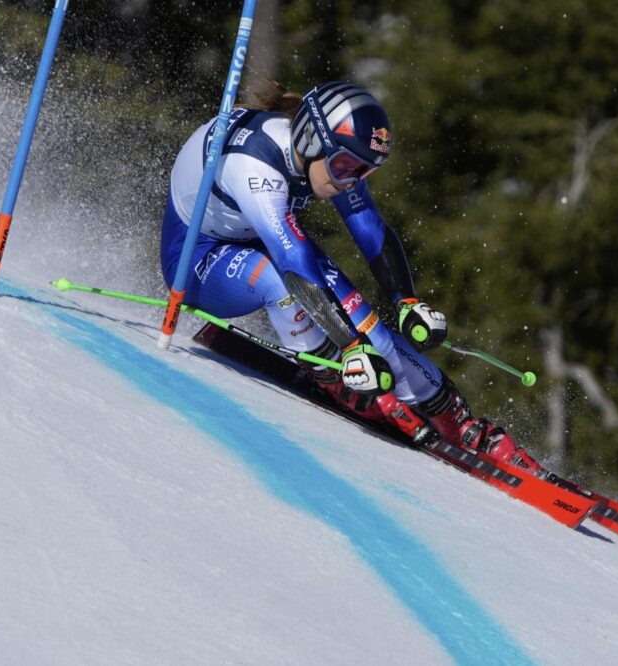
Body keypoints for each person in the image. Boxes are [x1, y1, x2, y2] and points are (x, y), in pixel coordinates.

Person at [160, 79, 542, 473]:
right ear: (311, 140)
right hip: (197, 256)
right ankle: (329, 374)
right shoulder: (255, 165)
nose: (349, 180)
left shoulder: (332, 160)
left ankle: (458, 422)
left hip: (261, 239)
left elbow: (370, 228)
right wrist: (348, 349)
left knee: (369, 325)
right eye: (346, 167)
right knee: (277, 280)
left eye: (364, 171)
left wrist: (405, 301)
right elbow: (292, 261)